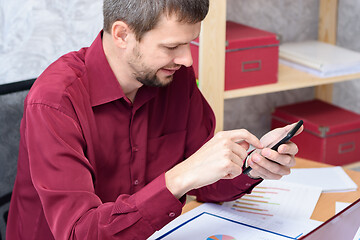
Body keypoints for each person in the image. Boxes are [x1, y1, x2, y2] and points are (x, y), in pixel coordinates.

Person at [7, 0, 302, 239]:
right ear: (123, 35)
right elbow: (78, 233)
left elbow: (204, 184)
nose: (187, 59)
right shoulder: (55, 102)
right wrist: (179, 177)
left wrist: (251, 164)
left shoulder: (174, 77)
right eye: (171, 47)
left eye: (190, 44)